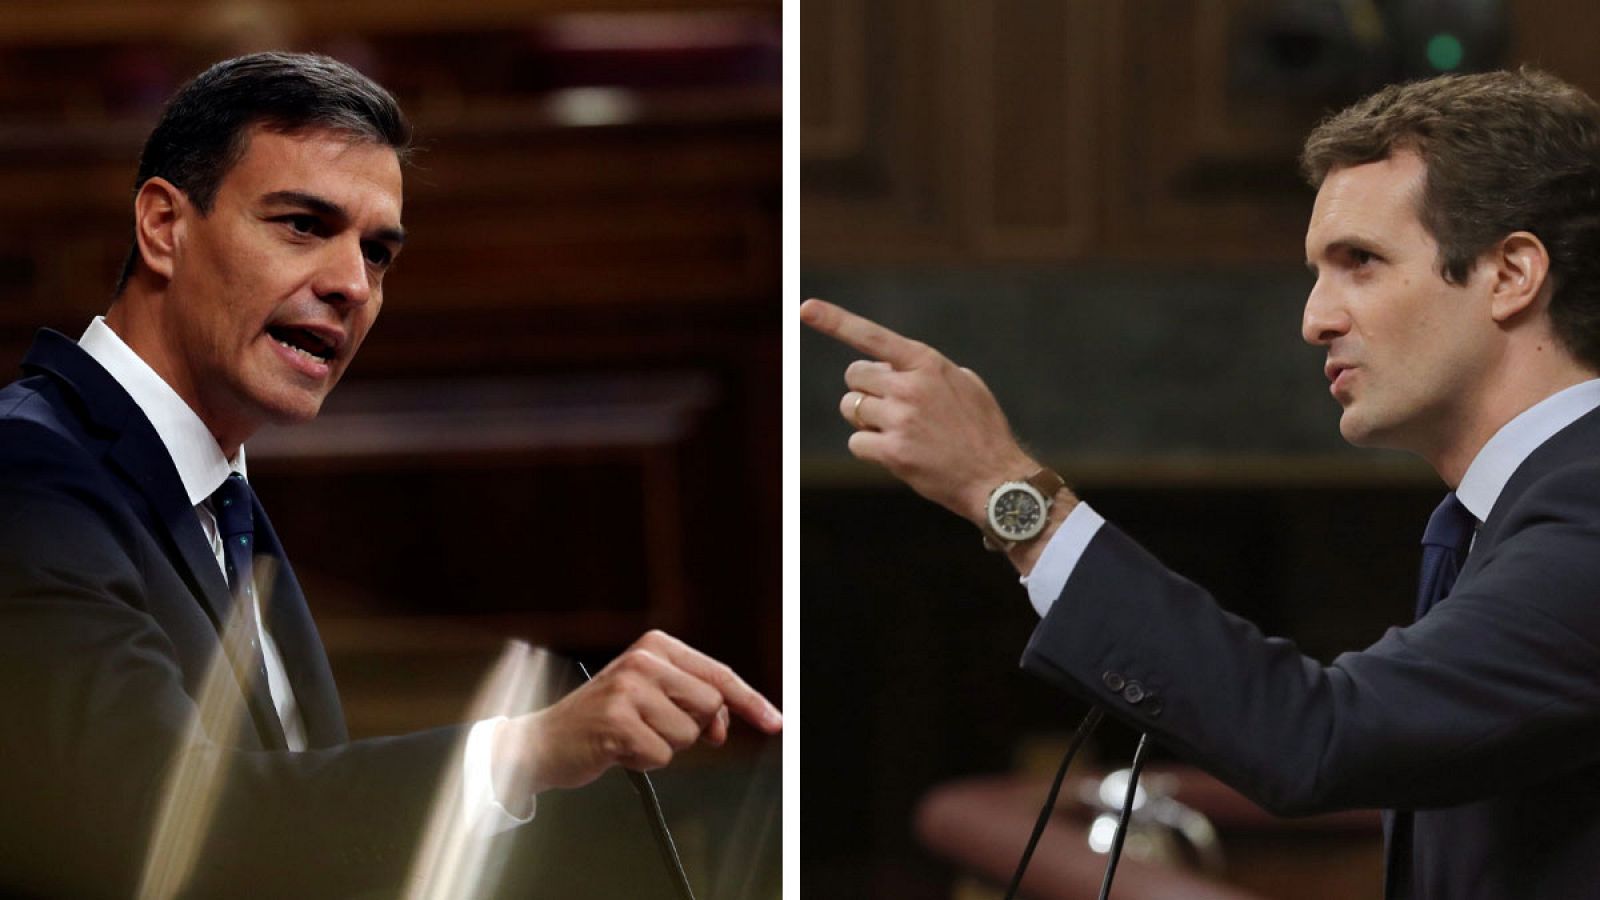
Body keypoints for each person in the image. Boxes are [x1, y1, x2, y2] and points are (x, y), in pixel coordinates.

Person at [803, 67, 1600, 899]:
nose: (1314, 319)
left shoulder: (1587, 508)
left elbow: (1324, 736)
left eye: (1359, 261)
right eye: (1318, 272)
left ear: (1511, 274)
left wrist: (1014, 497)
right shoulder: (1511, 508)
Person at [0, 52, 780, 898]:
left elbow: (280, 850)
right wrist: (527, 750)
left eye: (377, 253)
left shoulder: (217, 496)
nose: (349, 285)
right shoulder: (28, 468)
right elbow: (142, 824)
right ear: (163, 226)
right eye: (302, 224)